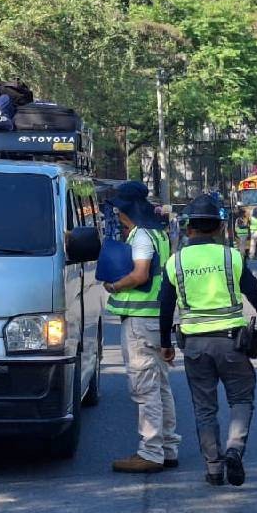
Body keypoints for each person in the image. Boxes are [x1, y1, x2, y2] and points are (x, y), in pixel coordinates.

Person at [159, 195, 257, 487]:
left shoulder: (175, 262)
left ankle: (214, 469)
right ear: (218, 228)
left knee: (205, 408)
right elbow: (256, 296)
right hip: (232, 343)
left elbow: (165, 307)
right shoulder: (231, 257)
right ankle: (234, 449)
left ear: (189, 228)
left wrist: (166, 343)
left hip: (194, 345)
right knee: (241, 399)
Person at [103, 181, 180, 474]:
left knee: (144, 388)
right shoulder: (158, 233)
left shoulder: (142, 236)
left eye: (120, 209)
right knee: (160, 386)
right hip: (156, 318)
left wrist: (114, 284)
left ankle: (150, 452)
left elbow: (139, 274)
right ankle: (168, 448)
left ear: (128, 209)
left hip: (139, 321)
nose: (118, 215)